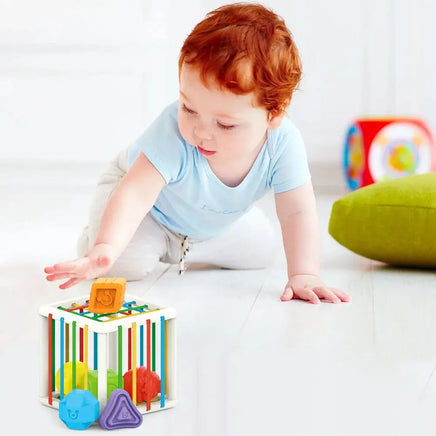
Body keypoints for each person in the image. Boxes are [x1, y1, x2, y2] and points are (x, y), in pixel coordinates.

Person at [44, 3, 350, 304]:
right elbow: (136, 194)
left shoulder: (283, 145)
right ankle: (96, 237)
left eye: (225, 124)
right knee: (123, 265)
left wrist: (304, 273)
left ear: (274, 114)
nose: (201, 132)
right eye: (188, 108)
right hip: (146, 207)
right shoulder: (173, 133)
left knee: (261, 252)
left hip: (205, 223)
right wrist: (105, 246)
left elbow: (297, 212)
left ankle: (187, 245)